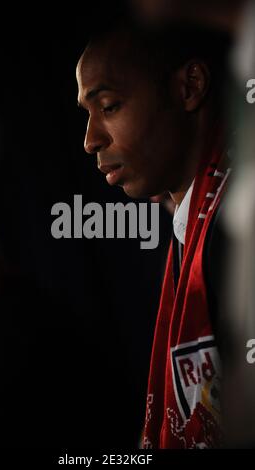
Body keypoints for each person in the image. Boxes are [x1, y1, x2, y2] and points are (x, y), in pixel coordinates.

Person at [76, 19, 232, 448]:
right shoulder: (194, 220)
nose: (90, 140)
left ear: (189, 87)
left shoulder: (237, 228)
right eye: (87, 115)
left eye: (108, 107)